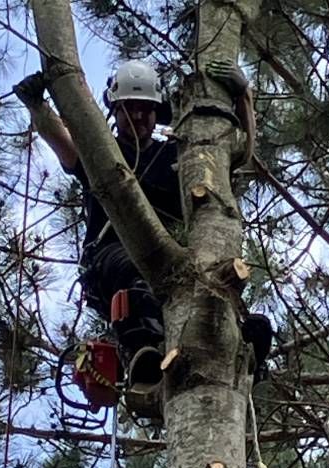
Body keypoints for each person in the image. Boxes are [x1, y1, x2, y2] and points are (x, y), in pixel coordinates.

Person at [14, 60, 270, 385]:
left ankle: (237, 351)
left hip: (179, 258)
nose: (137, 117)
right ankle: (142, 354)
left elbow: (239, 155)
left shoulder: (176, 157)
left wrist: (243, 97)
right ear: (115, 110)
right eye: (129, 109)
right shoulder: (103, 154)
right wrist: (39, 108)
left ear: (156, 111)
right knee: (135, 276)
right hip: (114, 256)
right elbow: (65, 145)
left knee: (237, 310)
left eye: (145, 109)